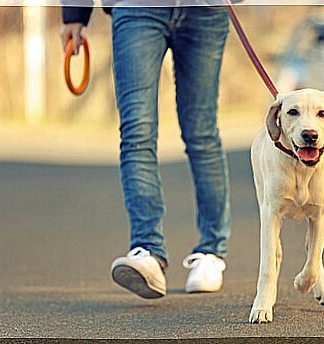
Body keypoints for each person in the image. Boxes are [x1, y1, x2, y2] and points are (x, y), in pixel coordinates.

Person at [61, 2, 233, 298]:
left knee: (201, 132)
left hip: (205, 9)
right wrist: (75, 14)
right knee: (136, 131)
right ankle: (147, 251)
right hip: (136, 7)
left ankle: (211, 253)